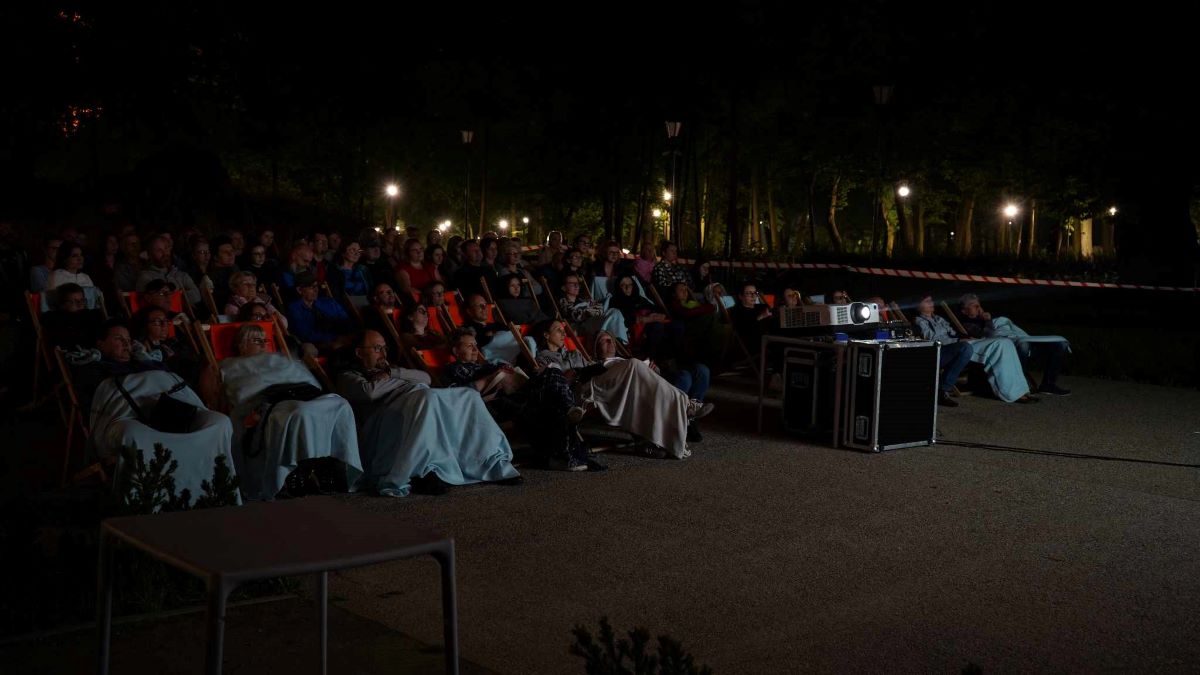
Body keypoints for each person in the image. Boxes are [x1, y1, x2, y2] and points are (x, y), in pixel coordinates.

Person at [336, 330, 521, 495]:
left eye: (385, 348)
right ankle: (424, 471)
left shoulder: (392, 371)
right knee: (427, 398)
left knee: (468, 395)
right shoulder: (348, 376)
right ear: (359, 352)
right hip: (382, 424)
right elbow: (370, 392)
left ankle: (491, 463)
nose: (383, 353)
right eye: (377, 348)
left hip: (414, 404)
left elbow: (424, 377)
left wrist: (392, 375)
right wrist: (399, 381)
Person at [78, 318, 233, 508]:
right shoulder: (94, 371)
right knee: (133, 433)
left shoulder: (147, 364)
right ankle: (144, 503)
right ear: (100, 344)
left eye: (128, 339)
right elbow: (101, 405)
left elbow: (172, 384)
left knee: (219, 422)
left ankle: (219, 492)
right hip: (128, 419)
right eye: (119, 339)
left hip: (170, 413)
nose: (127, 344)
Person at [206, 323, 362, 500]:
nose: (264, 344)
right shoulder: (231, 366)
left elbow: (305, 379)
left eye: (266, 340)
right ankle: (299, 471)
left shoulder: (278, 359)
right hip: (272, 400)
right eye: (257, 340)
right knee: (300, 412)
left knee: (341, 404)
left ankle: (334, 466)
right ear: (241, 344)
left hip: (304, 394)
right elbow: (242, 390)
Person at [535, 319, 702, 460]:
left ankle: (680, 408)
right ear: (546, 335)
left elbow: (590, 368)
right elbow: (553, 381)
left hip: (599, 384)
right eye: (558, 330)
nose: (564, 333)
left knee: (638, 381)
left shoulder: (574, 354)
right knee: (634, 364)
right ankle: (686, 404)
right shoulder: (543, 357)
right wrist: (571, 373)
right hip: (581, 392)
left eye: (564, 330)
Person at [913, 293, 1037, 404]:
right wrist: (958, 340)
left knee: (1006, 343)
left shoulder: (939, 319)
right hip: (949, 348)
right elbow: (932, 339)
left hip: (962, 343)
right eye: (927, 301)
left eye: (931, 300)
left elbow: (953, 333)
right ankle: (1011, 393)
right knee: (1000, 344)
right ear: (918, 306)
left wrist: (964, 337)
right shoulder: (919, 321)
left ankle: (1021, 390)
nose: (931, 303)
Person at [957, 293, 1071, 396]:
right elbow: (985, 336)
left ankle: (1048, 385)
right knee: (1024, 345)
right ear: (964, 311)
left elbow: (1006, 325)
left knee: (1060, 344)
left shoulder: (986, 319)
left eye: (979, 305)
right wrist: (987, 321)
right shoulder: (967, 323)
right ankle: (1018, 387)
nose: (979, 308)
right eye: (974, 305)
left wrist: (991, 320)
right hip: (1007, 347)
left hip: (1017, 339)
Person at [286, 272, 355, 354]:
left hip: (342, 336)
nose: (316, 290)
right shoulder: (294, 308)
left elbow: (346, 320)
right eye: (312, 287)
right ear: (299, 290)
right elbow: (306, 334)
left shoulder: (329, 302)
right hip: (319, 342)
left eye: (316, 286)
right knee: (337, 346)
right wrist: (335, 337)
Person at [609, 274, 675, 359]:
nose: (627, 287)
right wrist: (651, 319)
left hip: (651, 323)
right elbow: (627, 320)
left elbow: (656, 309)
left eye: (630, 284)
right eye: (623, 285)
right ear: (618, 287)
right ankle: (651, 358)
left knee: (676, 326)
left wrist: (655, 316)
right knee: (657, 327)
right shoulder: (616, 301)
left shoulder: (639, 298)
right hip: (635, 330)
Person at [558, 273, 628, 343]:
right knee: (613, 314)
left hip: (591, 321)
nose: (576, 286)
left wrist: (594, 310)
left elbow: (598, 308)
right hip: (581, 326)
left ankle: (618, 341)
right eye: (572, 283)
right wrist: (590, 311)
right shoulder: (563, 302)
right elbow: (574, 314)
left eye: (577, 283)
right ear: (563, 287)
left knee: (614, 312)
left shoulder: (583, 300)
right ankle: (619, 341)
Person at [137, 235, 201, 306]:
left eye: (166, 249)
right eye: (159, 250)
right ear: (150, 254)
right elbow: (152, 302)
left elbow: (197, 296)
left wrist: (170, 296)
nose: (165, 254)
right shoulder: (146, 277)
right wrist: (181, 294)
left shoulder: (181, 275)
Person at [40, 283, 104, 351]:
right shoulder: (55, 319)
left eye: (82, 300)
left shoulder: (93, 315)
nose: (80, 304)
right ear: (62, 304)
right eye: (74, 302)